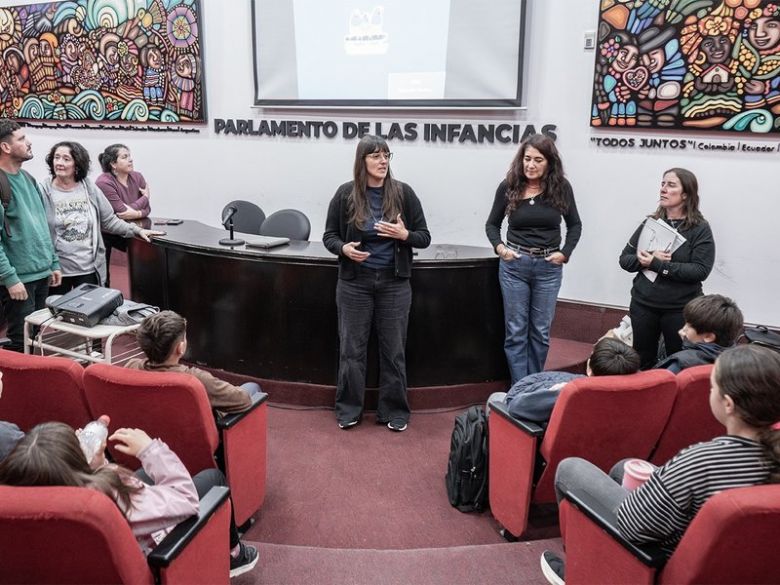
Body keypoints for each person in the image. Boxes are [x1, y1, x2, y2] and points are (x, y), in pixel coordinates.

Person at [541, 344, 780, 585]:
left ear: (728, 404)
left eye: (713, 387)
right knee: (624, 467)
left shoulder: (702, 462)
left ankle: (580, 573)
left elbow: (634, 524)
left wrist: (657, 487)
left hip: (661, 556)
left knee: (570, 468)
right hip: (728, 562)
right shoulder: (768, 454)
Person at [0, 421, 259, 577]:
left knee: (145, 474)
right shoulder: (110, 497)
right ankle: (234, 556)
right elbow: (187, 498)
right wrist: (149, 449)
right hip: (156, 560)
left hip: (88, 570)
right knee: (213, 478)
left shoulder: (19, 505)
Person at [323, 135, 431, 432]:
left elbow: (424, 236)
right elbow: (329, 236)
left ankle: (394, 410)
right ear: (362, 161)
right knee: (351, 350)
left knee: (393, 350)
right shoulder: (346, 194)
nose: (383, 161)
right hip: (354, 284)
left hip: (394, 283)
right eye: (376, 156)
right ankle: (349, 409)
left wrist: (404, 235)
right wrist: (343, 249)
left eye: (386, 155)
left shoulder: (403, 193)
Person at [485, 134, 582, 385]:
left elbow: (575, 225)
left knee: (540, 331)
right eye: (527, 159)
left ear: (549, 162)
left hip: (548, 268)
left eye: (538, 160)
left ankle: (535, 384)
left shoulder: (561, 188)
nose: (530, 165)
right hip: (514, 265)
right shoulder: (509, 186)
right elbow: (492, 224)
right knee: (516, 330)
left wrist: (565, 252)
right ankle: (521, 387)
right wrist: (500, 248)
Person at [619, 168, 716, 370]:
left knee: (678, 361)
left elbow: (700, 271)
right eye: (662, 184)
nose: (663, 189)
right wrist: (646, 259)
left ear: (686, 194)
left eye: (671, 185)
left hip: (679, 308)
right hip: (643, 304)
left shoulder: (699, 228)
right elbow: (625, 260)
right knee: (642, 360)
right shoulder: (651, 223)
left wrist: (658, 265)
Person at [40, 141, 162, 295]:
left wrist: (137, 230)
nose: (59, 163)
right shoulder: (43, 191)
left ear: (77, 164)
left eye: (66, 159)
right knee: (56, 309)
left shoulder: (89, 188)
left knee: (91, 307)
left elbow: (109, 220)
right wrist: (49, 264)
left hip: (89, 269)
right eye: (56, 158)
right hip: (58, 271)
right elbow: (38, 232)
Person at [0, 120, 61, 352]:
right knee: (21, 343)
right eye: (22, 139)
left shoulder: (28, 178)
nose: (29, 142)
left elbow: (41, 226)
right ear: (5, 147)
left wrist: (52, 262)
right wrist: (10, 278)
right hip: (18, 279)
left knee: (35, 339)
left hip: (41, 273)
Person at [125, 310, 260, 414]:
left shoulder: (131, 367)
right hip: (196, 439)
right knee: (252, 387)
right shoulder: (196, 380)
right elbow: (243, 401)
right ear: (180, 347)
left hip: (147, 433)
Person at [490, 337, 641, 424]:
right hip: (608, 453)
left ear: (590, 368)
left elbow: (516, 407)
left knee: (496, 399)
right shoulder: (638, 393)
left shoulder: (570, 392)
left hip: (554, 453)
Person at [95, 144, 151, 286]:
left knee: (149, 253)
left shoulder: (138, 177)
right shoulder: (103, 182)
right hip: (108, 231)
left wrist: (137, 212)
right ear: (113, 164)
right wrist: (145, 197)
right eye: (125, 157)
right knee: (103, 275)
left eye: (129, 156)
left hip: (133, 227)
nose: (130, 160)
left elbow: (147, 209)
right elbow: (121, 213)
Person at [654, 293, 743, 373]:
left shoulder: (679, 364)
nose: (683, 329)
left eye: (689, 326)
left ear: (708, 337)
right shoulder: (738, 361)